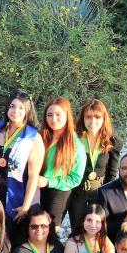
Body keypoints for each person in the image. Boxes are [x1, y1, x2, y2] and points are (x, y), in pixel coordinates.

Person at [0, 90, 45, 233]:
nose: (15, 111)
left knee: (9, 237)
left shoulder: (33, 138)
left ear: (28, 111)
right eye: (12, 106)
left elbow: (34, 177)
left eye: (21, 108)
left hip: (14, 197)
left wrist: (26, 206)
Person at [68, 98, 122, 228]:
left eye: (97, 117)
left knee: (96, 231)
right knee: (77, 230)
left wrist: (106, 199)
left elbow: (112, 174)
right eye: (88, 117)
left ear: (104, 119)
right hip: (76, 194)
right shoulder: (73, 138)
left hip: (99, 195)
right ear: (83, 118)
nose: (93, 122)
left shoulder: (112, 142)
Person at [37, 97, 86, 228]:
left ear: (67, 116)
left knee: (48, 233)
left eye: (58, 115)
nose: (53, 119)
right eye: (49, 115)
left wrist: (48, 181)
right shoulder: (41, 137)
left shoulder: (76, 146)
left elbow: (75, 179)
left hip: (57, 194)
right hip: (36, 190)